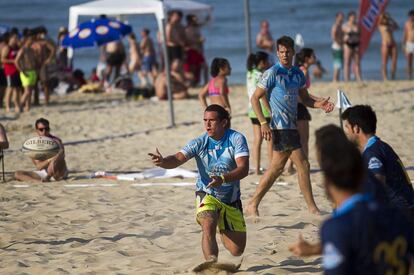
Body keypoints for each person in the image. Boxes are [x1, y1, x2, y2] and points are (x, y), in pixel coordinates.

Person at [289, 125, 414, 274]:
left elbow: (352, 235)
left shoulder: (336, 227)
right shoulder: (397, 217)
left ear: (328, 183)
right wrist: (315, 249)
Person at [245, 36, 334, 216]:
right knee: (303, 164)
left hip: (291, 126)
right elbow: (255, 98)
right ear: (277, 53)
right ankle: (312, 208)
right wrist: (263, 122)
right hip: (279, 126)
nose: (285, 55)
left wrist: (320, 104)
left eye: (288, 52)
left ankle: (252, 204)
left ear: (293, 52)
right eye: (281, 52)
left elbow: (306, 98)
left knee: (276, 168)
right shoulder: (272, 73)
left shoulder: (297, 74)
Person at [148, 104, 249, 263]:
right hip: (206, 193)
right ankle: (211, 266)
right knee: (208, 224)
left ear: (223, 123)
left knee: (236, 250)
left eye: (212, 120)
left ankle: (222, 226)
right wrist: (163, 162)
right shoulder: (199, 142)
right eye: (205, 120)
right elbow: (177, 159)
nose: (207, 124)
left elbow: (243, 169)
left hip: (231, 199)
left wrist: (222, 179)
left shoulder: (236, 139)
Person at [341, 105, 414, 211]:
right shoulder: (379, 146)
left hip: (401, 214)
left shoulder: (372, 152)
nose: (346, 132)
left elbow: (377, 183)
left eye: (347, 127)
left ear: (356, 129)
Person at [285, 48, 321, 175]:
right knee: (303, 139)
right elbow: (302, 93)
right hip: (299, 107)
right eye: (313, 56)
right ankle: (303, 166)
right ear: (306, 58)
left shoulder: (299, 69)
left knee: (297, 138)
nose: (315, 58)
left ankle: (290, 166)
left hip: (295, 107)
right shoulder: (303, 71)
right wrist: (317, 99)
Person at [15, 118, 68, 182]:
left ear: (49, 129)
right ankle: (39, 182)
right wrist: (49, 160)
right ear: (37, 131)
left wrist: (53, 159)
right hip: (44, 172)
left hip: (58, 172)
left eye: (47, 129)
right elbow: (39, 167)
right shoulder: (34, 145)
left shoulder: (57, 141)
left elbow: (61, 159)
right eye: (41, 129)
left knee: (55, 160)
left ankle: (47, 177)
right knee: (18, 174)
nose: (44, 132)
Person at [246, 51, 272, 175]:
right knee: (269, 139)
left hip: (252, 110)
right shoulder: (261, 75)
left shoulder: (249, 73)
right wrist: (270, 110)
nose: (268, 63)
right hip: (263, 111)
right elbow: (263, 96)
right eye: (267, 61)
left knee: (257, 140)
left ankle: (256, 169)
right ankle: (271, 167)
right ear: (262, 62)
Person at [15, 30, 37, 112]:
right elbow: (16, 61)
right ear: (27, 40)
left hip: (32, 71)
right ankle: (20, 106)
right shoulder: (23, 50)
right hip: (25, 71)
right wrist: (21, 71)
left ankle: (28, 107)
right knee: (27, 91)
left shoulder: (31, 49)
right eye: (31, 39)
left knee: (30, 91)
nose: (33, 41)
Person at [184, 14, 208, 86]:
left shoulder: (196, 27)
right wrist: (199, 40)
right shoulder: (187, 29)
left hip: (198, 51)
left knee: (204, 67)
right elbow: (187, 41)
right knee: (194, 68)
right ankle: (194, 83)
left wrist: (207, 18)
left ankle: (205, 83)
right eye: (194, 20)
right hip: (192, 51)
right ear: (190, 21)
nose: (196, 21)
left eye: (196, 19)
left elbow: (201, 23)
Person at [1, 31, 21, 113]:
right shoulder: (7, 47)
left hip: (17, 70)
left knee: (17, 89)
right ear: (10, 39)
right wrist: (13, 61)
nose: (16, 39)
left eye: (17, 38)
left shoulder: (17, 47)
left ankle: (17, 105)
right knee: (10, 88)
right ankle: (8, 106)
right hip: (9, 70)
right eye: (14, 38)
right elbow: (2, 59)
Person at [378, 12, 399, 80]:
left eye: (387, 18)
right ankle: (385, 77)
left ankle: (393, 76)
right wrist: (383, 16)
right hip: (385, 44)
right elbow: (380, 21)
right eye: (385, 18)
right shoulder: (380, 25)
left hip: (393, 44)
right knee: (384, 62)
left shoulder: (390, 24)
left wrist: (390, 19)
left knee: (394, 61)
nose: (386, 20)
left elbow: (397, 26)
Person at [342, 11, 362, 82]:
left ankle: (358, 78)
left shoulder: (357, 25)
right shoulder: (345, 25)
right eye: (353, 17)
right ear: (349, 18)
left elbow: (360, 34)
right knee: (347, 62)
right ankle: (347, 79)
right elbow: (343, 33)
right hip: (348, 45)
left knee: (357, 62)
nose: (354, 18)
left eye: (355, 17)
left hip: (356, 44)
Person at [331, 12, 344, 82]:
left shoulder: (340, 26)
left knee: (339, 64)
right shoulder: (335, 26)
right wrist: (339, 43)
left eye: (342, 17)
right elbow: (333, 36)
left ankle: (337, 79)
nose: (342, 18)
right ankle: (335, 79)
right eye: (340, 17)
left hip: (339, 46)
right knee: (337, 64)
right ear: (337, 18)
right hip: (336, 47)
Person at [403, 9, 414, 80]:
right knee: (409, 61)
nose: (411, 17)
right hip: (409, 43)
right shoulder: (407, 23)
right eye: (410, 16)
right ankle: (409, 77)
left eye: (412, 16)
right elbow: (405, 34)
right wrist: (403, 44)